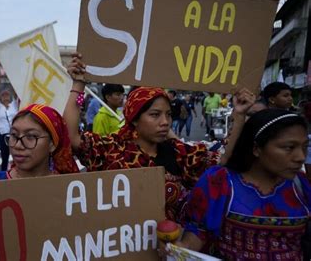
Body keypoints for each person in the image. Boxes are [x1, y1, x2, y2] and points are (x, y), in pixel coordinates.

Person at [64, 53, 255, 220]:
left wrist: (239, 115)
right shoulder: (112, 149)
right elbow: (72, 138)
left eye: (168, 115)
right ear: (135, 119)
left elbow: (223, 161)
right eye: (155, 115)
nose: (165, 122)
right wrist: (78, 85)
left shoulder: (178, 151)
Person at [178, 109, 310, 260]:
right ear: (256, 148)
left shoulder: (301, 185)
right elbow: (197, 234)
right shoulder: (219, 181)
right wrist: (178, 249)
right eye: (289, 147)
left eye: (305, 147)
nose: (300, 157)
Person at [0, 104, 79, 179]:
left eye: (31, 136)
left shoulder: (68, 190)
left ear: (52, 144)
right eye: (14, 135)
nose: (18, 145)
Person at [0, 77, 19, 171]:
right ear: (0, 98)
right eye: (3, 95)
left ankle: (17, 173)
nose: (5, 96)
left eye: (7, 94)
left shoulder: (14, 105)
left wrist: (12, 80)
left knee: (17, 156)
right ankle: (3, 175)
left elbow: (16, 93)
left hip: (14, 135)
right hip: (3, 135)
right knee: (4, 157)